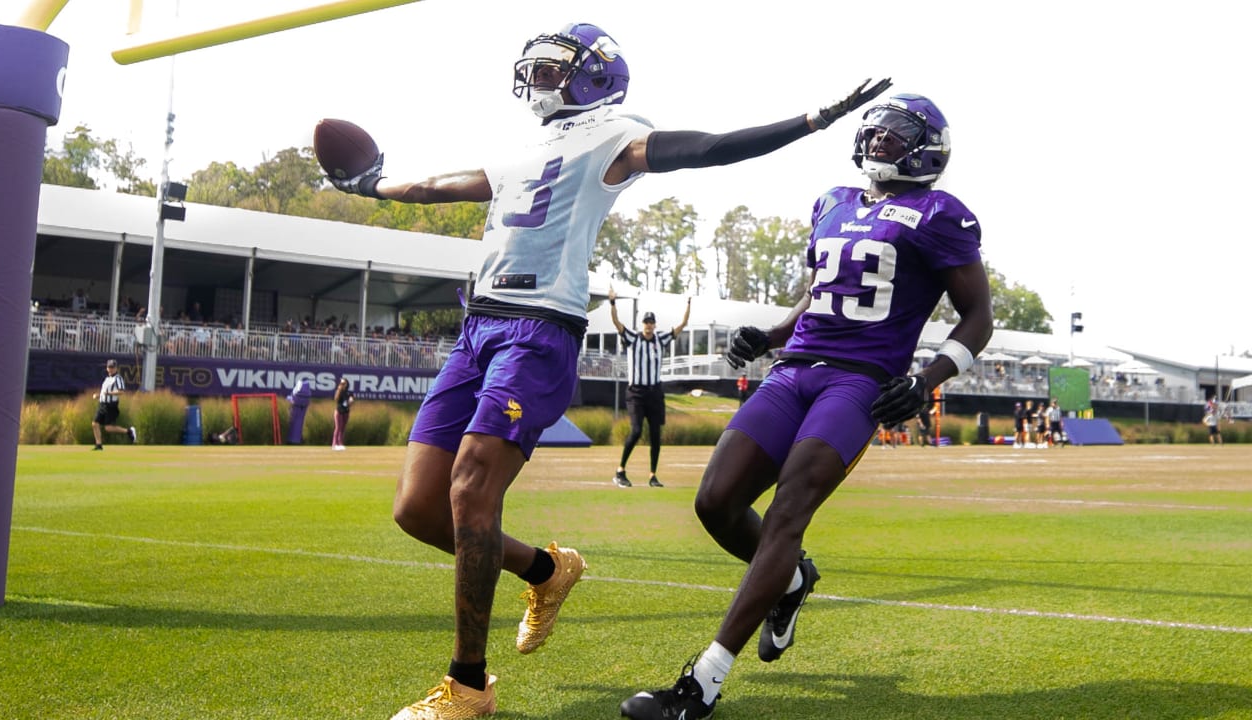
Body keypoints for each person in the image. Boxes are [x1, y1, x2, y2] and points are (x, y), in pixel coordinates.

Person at [328, 21, 890, 720]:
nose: (536, 78)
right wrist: (374, 183)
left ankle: (467, 686)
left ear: (593, 76)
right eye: (534, 67)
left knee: (472, 485)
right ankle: (545, 568)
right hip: (480, 327)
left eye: (551, 68)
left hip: (538, 331)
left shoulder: (612, 134)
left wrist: (810, 121)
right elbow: (444, 183)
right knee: (418, 508)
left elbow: (706, 149)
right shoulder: (522, 147)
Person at [621, 92, 993, 720]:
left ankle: (702, 684)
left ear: (926, 148)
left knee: (790, 508)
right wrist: (769, 337)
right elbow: (819, 294)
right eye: (873, 133)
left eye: (893, 135)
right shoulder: (834, 201)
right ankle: (791, 580)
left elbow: (978, 314)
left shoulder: (941, 212)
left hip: (859, 383)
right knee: (715, 501)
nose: (877, 142)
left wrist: (929, 376)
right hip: (794, 371)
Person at [609, 288, 691, 488]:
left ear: (654, 325)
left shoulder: (660, 339)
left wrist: (688, 304)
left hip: (655, 392)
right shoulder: (633, 339)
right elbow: (617, 324)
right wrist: (613, 303)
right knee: (636, 431)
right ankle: (620, 471)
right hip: (636, 392)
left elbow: (681, 326)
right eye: (646, 322)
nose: (649, 326)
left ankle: (653, 475)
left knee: (655, 434)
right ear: (642, 324)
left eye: (651, 323)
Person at [90, 358, 135, 450]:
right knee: (95, 423)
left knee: (108, 428)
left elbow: (121, 392)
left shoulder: (118, 378)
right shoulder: (107, 379)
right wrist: (98, 395)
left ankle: (128, 431)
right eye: (109, 367)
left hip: (111, 405)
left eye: (112, 367)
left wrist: (109, 394)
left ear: (116, 368)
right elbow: (105, 392)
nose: (110, 369)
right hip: (102, 404)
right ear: (107, 368)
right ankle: (99, 445)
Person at [286, 377, 312, 445]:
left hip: (295, 409)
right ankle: (297, 440)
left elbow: (291, 399)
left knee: (293, 425)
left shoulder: (297, 390)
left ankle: (291, 440)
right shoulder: (307, 392)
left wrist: (288, 399)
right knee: (299, 425)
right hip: (302, 410)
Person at [331, 377, 353, 451]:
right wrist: (339, 389)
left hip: (346, 412)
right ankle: (334, 444)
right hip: (339, 412)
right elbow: (336, 399)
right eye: (341, 383)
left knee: (343, 428)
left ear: (347, 384)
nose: (342, 384)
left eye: (344, 383)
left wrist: (350, 401)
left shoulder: (349, 393)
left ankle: (340, 443)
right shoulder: (339, 392)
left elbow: (350, 403)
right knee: (338, 427)